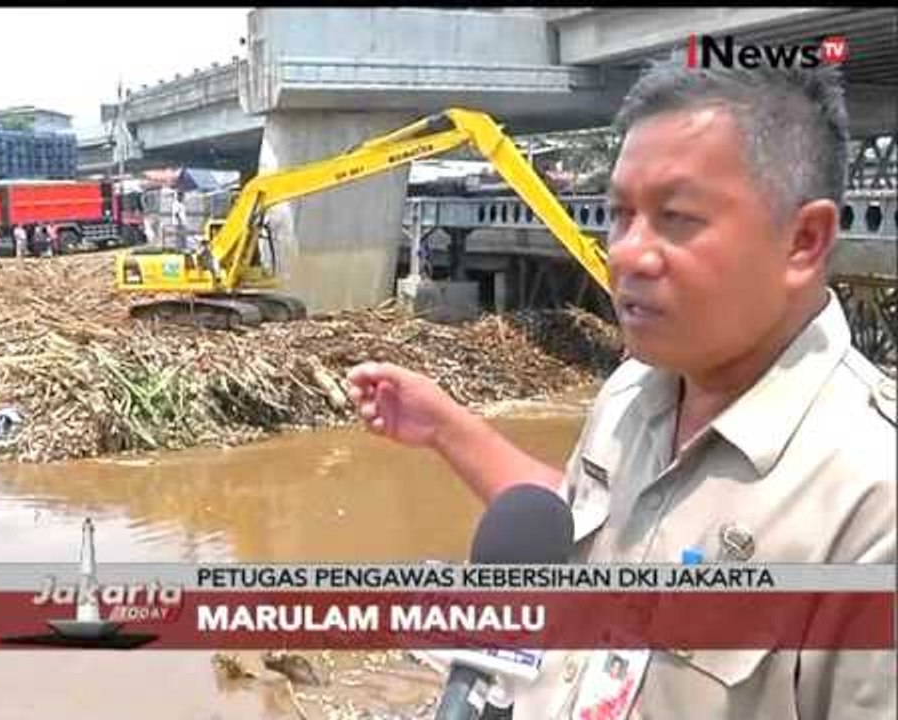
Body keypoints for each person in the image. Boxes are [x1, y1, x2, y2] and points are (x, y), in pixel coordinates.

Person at [346, 50, 895, 719]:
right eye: (621, 214)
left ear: (804, 240)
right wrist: (446, 428)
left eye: (678, 218)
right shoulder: (636, 389)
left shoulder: (871, 504)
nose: (628, 252)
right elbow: (591, 531)